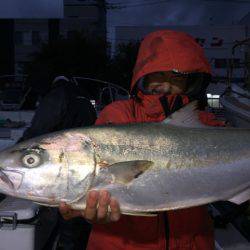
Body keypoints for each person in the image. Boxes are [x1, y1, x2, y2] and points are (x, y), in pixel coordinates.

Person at [59, 30, 225, 250]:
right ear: (142, 76)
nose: (165, 85)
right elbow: (94, 181)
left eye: (177, 78)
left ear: (190, 83)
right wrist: (87, 211)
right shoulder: (118, 115)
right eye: (158, 75)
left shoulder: (205, 123)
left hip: (192, 242)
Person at [19, 75, 97, 250]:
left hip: (65, 169)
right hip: (86, 168)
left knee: (66, 217)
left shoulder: (58, 95)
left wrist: (18, 150)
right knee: (78, 219)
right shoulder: (84, 96)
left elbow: (38, 129)